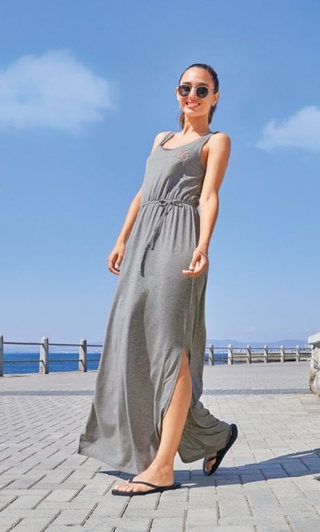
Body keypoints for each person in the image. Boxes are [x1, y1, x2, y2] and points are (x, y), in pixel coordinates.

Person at [78, 63, 238, 497]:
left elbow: (209, 196)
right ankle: (214, 435)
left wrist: (203, 245)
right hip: (142, 243)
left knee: (172, 347)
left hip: (179, 240)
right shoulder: (160, 139)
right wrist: (121, 239)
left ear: (215, 97)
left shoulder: (216, 141)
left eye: (202, 90)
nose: (192, 96)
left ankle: (163, 466)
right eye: (186, 88)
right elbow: (142, 192)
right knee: (134, 338)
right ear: (176, 93)